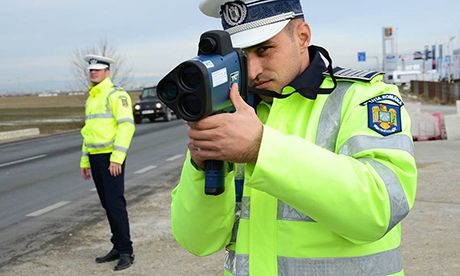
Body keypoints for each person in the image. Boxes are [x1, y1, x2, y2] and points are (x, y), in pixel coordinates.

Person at [170, 0, 418, 275]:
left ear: (302, 36)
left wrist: (260, 148)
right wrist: (200, 168)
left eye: (264, 49)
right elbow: (197, 241)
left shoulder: (364, 97)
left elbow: (381, 209)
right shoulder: (232, 115)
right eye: (241, 56)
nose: (252, 71)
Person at [80, 54, 136, 271]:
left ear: (107, 72)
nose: (93, 72)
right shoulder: (92, 98)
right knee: (107, 205)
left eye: (98, 70)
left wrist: (117, 158)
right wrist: (84, 160)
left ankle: (126, 251)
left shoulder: (116, 95)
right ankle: (117, 245)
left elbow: (126, 126)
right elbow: (88, 132)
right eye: (91, 70)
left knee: (115, 204)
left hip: (111, 158)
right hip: (95, 158)